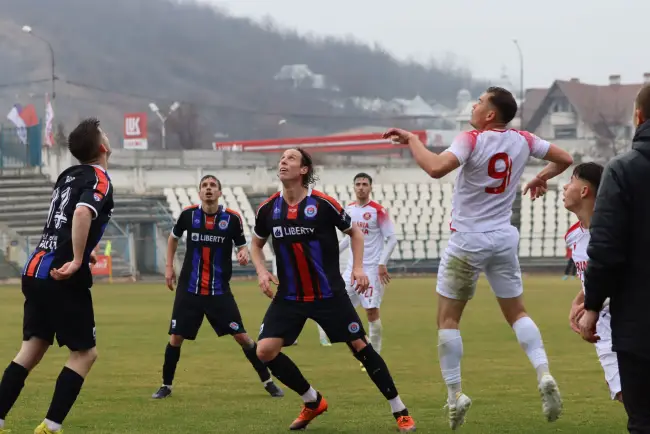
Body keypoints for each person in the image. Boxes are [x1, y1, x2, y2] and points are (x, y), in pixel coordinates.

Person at [385, 86, 573, 429]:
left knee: (447, 321)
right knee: (517, 313)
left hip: (468, 240)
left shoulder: (472, 139)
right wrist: (540, 178)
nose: (474, 106)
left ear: (490, 114)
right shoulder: (524, 139)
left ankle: (455, 396)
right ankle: (543, 372)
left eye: (480, 102)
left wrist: (412, 139)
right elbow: (566, 159)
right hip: (502, 238)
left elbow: (436, 168)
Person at [250, 148, 416, 432]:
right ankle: (313, 401)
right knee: (264, 351)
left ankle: (399, 410)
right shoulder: (268, 209)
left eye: (290, 158)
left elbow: (355, 232)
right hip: (289, 295)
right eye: (281, 158)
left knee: (360, 346)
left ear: (304, 170)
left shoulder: (323, 204)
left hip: (328, 293)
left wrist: (359, 268)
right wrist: (262, 271)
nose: (283, 162)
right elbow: (256, 244)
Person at [0, 118, 114, 434]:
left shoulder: (66, 176)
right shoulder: (100, 179)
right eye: (105, 134)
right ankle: (50, 428)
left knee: (31, 349)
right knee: (85, 353)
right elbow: (79, 213)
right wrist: (78, 259)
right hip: (60, 275)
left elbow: (61, 220)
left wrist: (86, 247)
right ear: (103, 147)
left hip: (35, 268)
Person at [151, 175, 283, 400]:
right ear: (199, 192)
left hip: (218, 291)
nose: (208, 189)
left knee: (242, 337)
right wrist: (168, 267)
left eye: (213, 186)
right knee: (176, 338)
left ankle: (268, 382)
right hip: (189, 290)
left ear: (220, 193)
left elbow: (242, 246)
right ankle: (166, 386)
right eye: (204, 186)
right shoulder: (188, 215)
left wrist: (242, 254)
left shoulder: (232, 219)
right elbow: (173, 239)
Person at [579, 83, 650, 433]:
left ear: (638, 117)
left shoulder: (622, 171)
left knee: (643, 419)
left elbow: (606, 248)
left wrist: (592, 305)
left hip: (640, 323)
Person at [316, 173, 398, 373]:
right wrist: (331, 253)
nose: (361, 187)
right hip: (352, 269)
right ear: (354, 187)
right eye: (358, 184)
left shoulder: (378, 211)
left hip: (370, 271)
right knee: (338, 306)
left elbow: (392, 239)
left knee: (371, 312)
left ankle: (374, 356)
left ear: (370, 187)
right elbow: (349, 239)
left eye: (364, 184)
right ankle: (362, 345)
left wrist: (381, 263)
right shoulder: (350, 210)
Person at [563, 163, 622, 402]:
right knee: (622, 393)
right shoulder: (573, 235)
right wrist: (580, 301)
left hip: (628, 320)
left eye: (572, 181)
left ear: (585, 191)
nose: (565, 187)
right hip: (602, 328)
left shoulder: (615, 230)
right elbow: (591, 275)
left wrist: (592, 307)